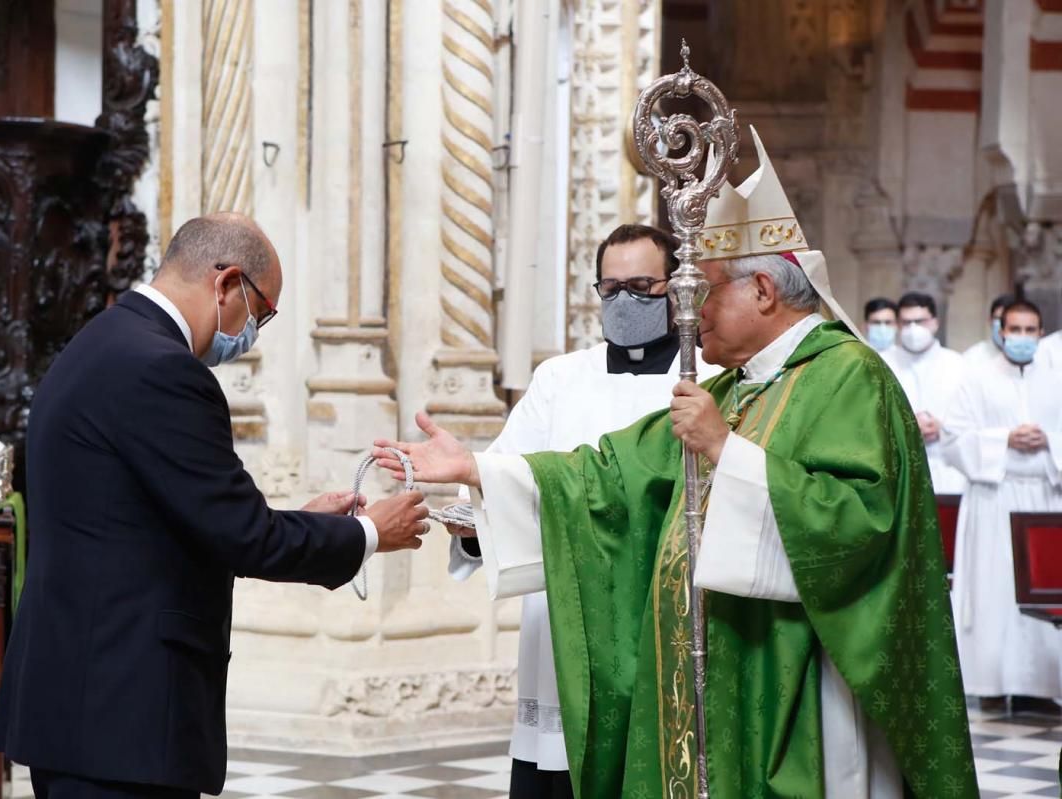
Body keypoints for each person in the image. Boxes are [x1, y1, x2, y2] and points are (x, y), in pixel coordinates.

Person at [377, 128, 977, 797]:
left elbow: (862, 527)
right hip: (724, 676)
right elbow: (609, 474)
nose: (688, 313)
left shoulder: (849, 377)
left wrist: (727, 450)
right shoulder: (736, 385)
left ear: (763, 291)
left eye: (706, 291)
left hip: (801, 679)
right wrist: (477, 470)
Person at [0, 214, 431, 799]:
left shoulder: (101, 340)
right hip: (122, 713)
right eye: (262, 311)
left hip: (84, 699)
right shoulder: (163, 369)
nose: (255, 332)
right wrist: (370, 533)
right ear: (226, 284)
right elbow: (244, 536)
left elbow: (179, 517)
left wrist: (301, 520)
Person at [447, 223, 719, 799]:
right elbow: (505, 476)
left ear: (676, 291)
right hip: (566, 613)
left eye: (643, 286)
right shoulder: (559, 378)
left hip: (660, 610)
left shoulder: (710, 382)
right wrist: (470, 524)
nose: (625, 300)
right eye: (611, 287)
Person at [943, 299, 1062, 715]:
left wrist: (1050, 439)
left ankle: (1041, 687)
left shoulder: (1057, 377)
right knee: (994, 589)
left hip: (1046, 498)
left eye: (1031, 330)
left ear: (1042, 332)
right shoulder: (975, 379)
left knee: (1045, 593)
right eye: (1015, 330)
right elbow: (953, 439)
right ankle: (990, 683)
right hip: (994, 497)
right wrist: (1003, 440)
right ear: (1000, 331)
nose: (1023, 338)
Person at [882, 292, 967, 493]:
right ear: (898, 325)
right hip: (898, 470)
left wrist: (943, 427)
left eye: (920, 321)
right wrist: (905, 427)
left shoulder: (958, 364)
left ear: (935, 323)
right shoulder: (882, 363)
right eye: (906, 322)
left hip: (949, 470)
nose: (913, 329)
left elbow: (973, 419)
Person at [962, 292, 1015, 366]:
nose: (1003, 325)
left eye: (1010, 320)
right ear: (990, 320)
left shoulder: (1036, 356)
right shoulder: (972, 358)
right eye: (999, 319)